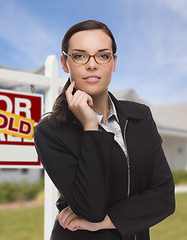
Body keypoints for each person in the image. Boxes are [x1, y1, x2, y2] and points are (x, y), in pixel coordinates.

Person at [33, 20, 175, 240]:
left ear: (114, 62)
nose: (92, 65)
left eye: (103, 55)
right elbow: (90, 208)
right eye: (79, 56)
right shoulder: (50, 131)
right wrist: (91, 127)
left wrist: (105, 222)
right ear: (65, 63)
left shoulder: (140, 116)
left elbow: (165, 198)